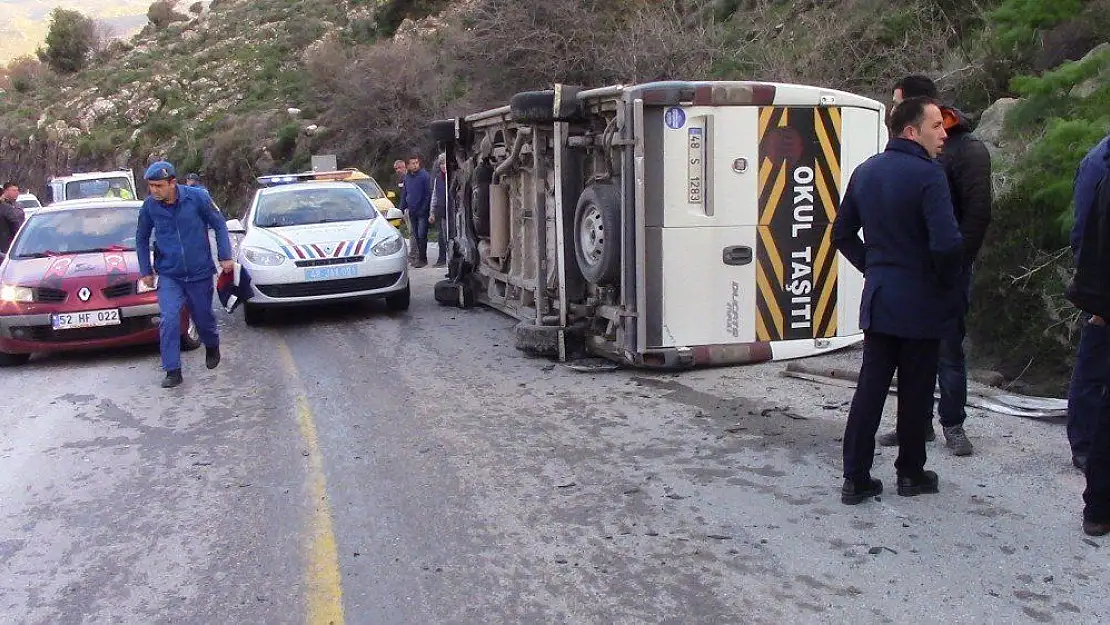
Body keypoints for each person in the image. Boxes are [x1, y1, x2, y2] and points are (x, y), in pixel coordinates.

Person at [833, 97, 964, 505]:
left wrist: (874, 267)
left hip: (881, 296)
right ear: (911, 131)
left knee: (870, 389)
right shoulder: (929, 177)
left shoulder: (866, 172)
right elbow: (946, 244)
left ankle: (855, 476)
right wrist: (945, 284)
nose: (944, 134)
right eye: (936, 126)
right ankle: (910, 471)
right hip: (921, 299)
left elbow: (841, 235)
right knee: (916, 388)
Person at [876, 75, 993, 457]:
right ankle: (916, 424)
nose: (890, 109)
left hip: (949, 269)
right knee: (912, 350)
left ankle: (953, 423)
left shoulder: (967, 151)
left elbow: (977, 214)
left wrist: (957, 264)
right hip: (914, 269)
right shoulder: (910, 151)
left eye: (895, 102)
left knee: (947, 347)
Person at [135, 161, 234, 389]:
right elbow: (141, 238)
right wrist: (145, 271)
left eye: (159, 186)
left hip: (199, 272)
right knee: (169, 318)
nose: (154, 191)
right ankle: (172, 370)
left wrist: (225, 255)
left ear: (172, 182)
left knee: (203, 317)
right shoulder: (149, 207)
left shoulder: (197, 197)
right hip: (170, 274)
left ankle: (212, 344)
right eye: (151, 186)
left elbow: (219, 224)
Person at [1065, 132, 1110, 536]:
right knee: (1094, 371)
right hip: (1103, 291)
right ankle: (1082, 442)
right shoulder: (1100, 163)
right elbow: (1087, 230)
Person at [402, 155, 433, 268]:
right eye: (412, 163)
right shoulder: (407, 177)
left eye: (416, 163)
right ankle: (419, 258)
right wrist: (402, 208)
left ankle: (423, 258)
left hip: (422, 211)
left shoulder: (424, 176)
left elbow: (427, 194)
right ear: (408, 165)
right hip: (412, 211)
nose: (415, 165)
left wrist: (424, 208)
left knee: (421, 235)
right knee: (415, 235)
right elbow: (405, 193)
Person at [394, 159, 416, 264]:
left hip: (412, 208)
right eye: (396, 168)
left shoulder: (409, 178)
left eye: (399, 168)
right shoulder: (400, 179)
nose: (398, 170)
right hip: (406, 209)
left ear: (404, 167)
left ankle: (414, 254)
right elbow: (402, 196)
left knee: (413, 232)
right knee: (411, 232)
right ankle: (414, 254)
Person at [429, 154, 448, 268]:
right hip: (441, 211)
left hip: (452, 212)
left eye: (445, 163)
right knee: (441, 236)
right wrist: (432, 212)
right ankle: (442, 259)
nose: (443, 166)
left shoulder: (453, 176)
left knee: (450, 236)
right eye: (441, 163)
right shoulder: (438, 178)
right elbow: (434, 196)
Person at [0, 182, 26, 253]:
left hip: (19, 242)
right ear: (5, 191)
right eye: (13, 190)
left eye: (17, 190)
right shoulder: (3, 206)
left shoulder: (18, 205)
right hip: (5, 244)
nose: (17, 193)